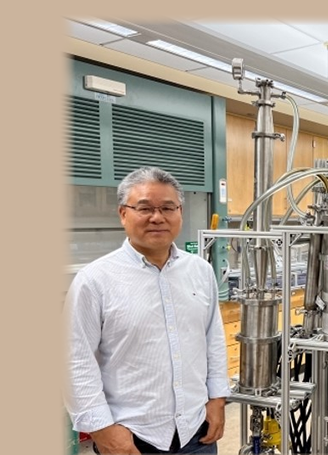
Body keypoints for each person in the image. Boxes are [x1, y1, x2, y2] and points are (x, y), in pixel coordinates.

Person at [66, 167, 230, 454]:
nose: (157, 217)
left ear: (179, 212)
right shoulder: (95, 280)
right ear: (123, 214)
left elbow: (212, 340)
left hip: (196, 432)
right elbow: (75, 360)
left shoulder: (200, 271)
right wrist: (102, 430)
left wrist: (217, 399)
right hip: (132, 437)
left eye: (168, 207)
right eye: (144, 208)